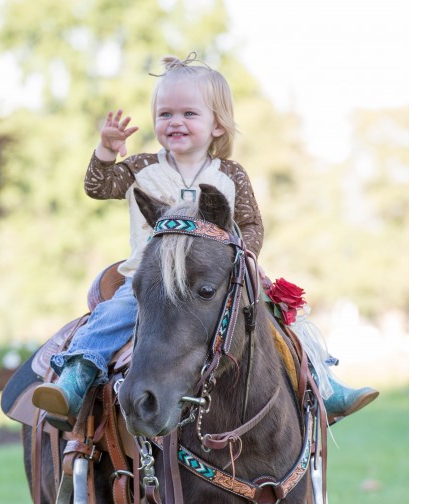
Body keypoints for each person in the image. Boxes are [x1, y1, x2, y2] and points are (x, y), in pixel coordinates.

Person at [32, 53, 377, 430]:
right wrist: (105, 151)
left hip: (217, 276)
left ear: (217, 125)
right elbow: (97, 187)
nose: (175, 122)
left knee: (284, 320)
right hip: (154, 282)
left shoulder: (230, 175)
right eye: (165, 114)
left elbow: (250, 224)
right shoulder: (141, 169)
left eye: (189, 114)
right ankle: (75, 380)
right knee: (112, 317)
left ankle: (324, 385)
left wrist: (242, 260)